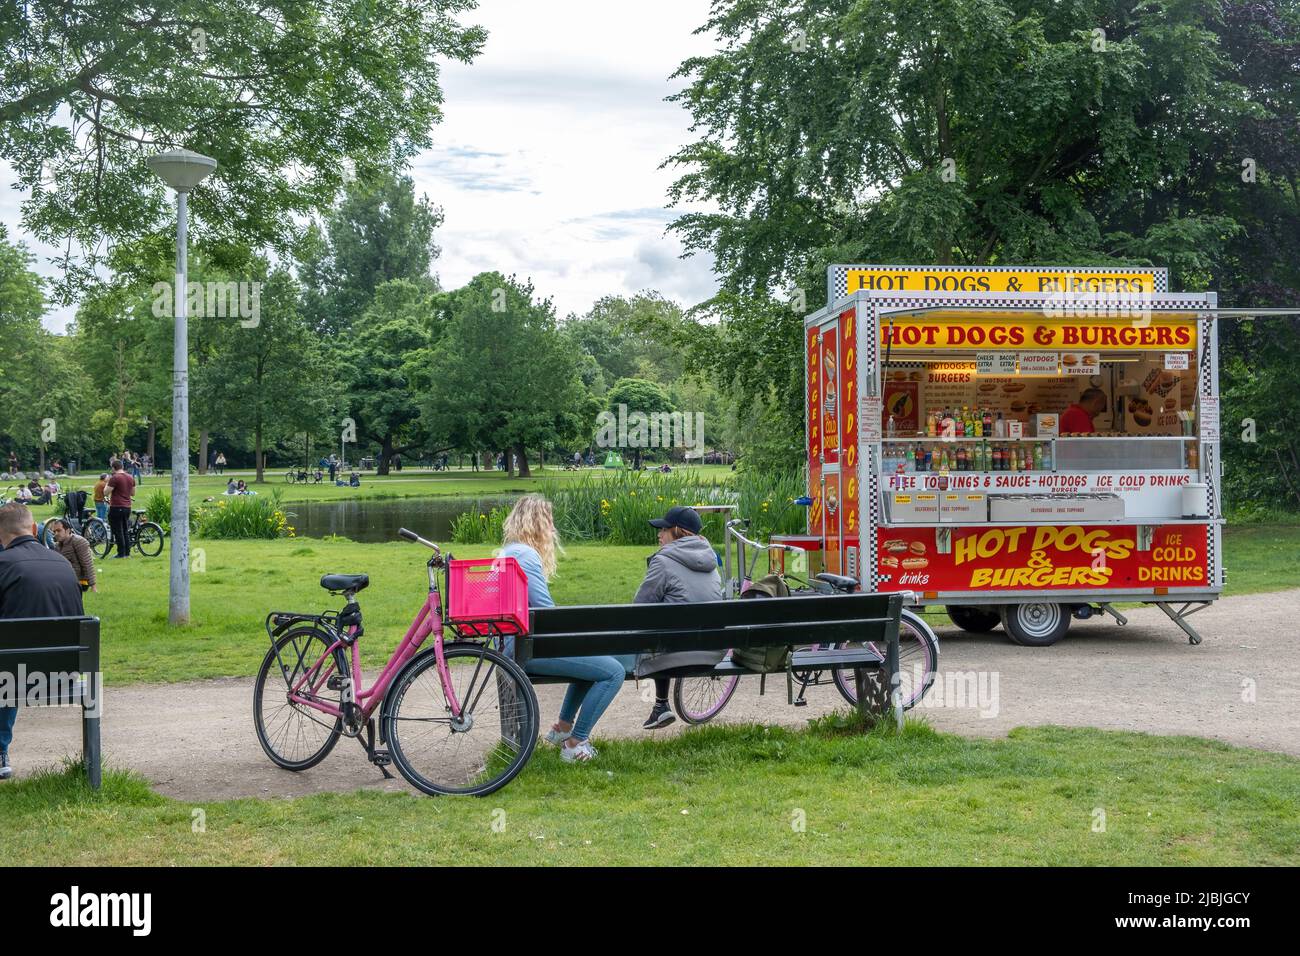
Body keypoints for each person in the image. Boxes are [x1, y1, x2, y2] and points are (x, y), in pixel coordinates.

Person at [501, 495, 623, 763]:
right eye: (550, 522)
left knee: (594, 665)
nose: (553, 528)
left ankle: (563, 728)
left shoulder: (508, 552)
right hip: (526, 648)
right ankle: (575, 743)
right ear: (539, 523)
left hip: (511, 643)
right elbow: (546, 613)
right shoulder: (526, 554)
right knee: (613, 671)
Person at [0, 503, 86, 781]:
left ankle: (1, 752)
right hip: (66, 670)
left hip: (15, 676)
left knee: (9, 664)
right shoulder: (61, 562)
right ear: (35, 529)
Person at [632, 506, 725, 730]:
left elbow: (639, 607)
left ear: (676, 530)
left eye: (663, 529)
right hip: (712, 652)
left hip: (674, 655)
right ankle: (660, 706)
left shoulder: (663, 561)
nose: (659, 534)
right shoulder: (710, 561)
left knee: (654, 629)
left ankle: (661, 704)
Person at [48, 518, 96, 593]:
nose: (56, 533)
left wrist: (93, 586)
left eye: (59, 530)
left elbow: (87, 564)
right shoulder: (57, 545)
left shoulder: (79, 542)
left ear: (68, 530)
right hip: (64, 581)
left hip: (79, 582)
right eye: (54, 531)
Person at [105, 458, 136, 558]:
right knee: (125, 529)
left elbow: (106, 492)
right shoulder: (130, 477)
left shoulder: (115, 478)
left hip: (116, 506)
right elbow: (133, 493)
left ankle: (121, 553)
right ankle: (127, 552)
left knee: (118, 530)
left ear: (113, 468)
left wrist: (108, 482)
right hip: (127, 506)